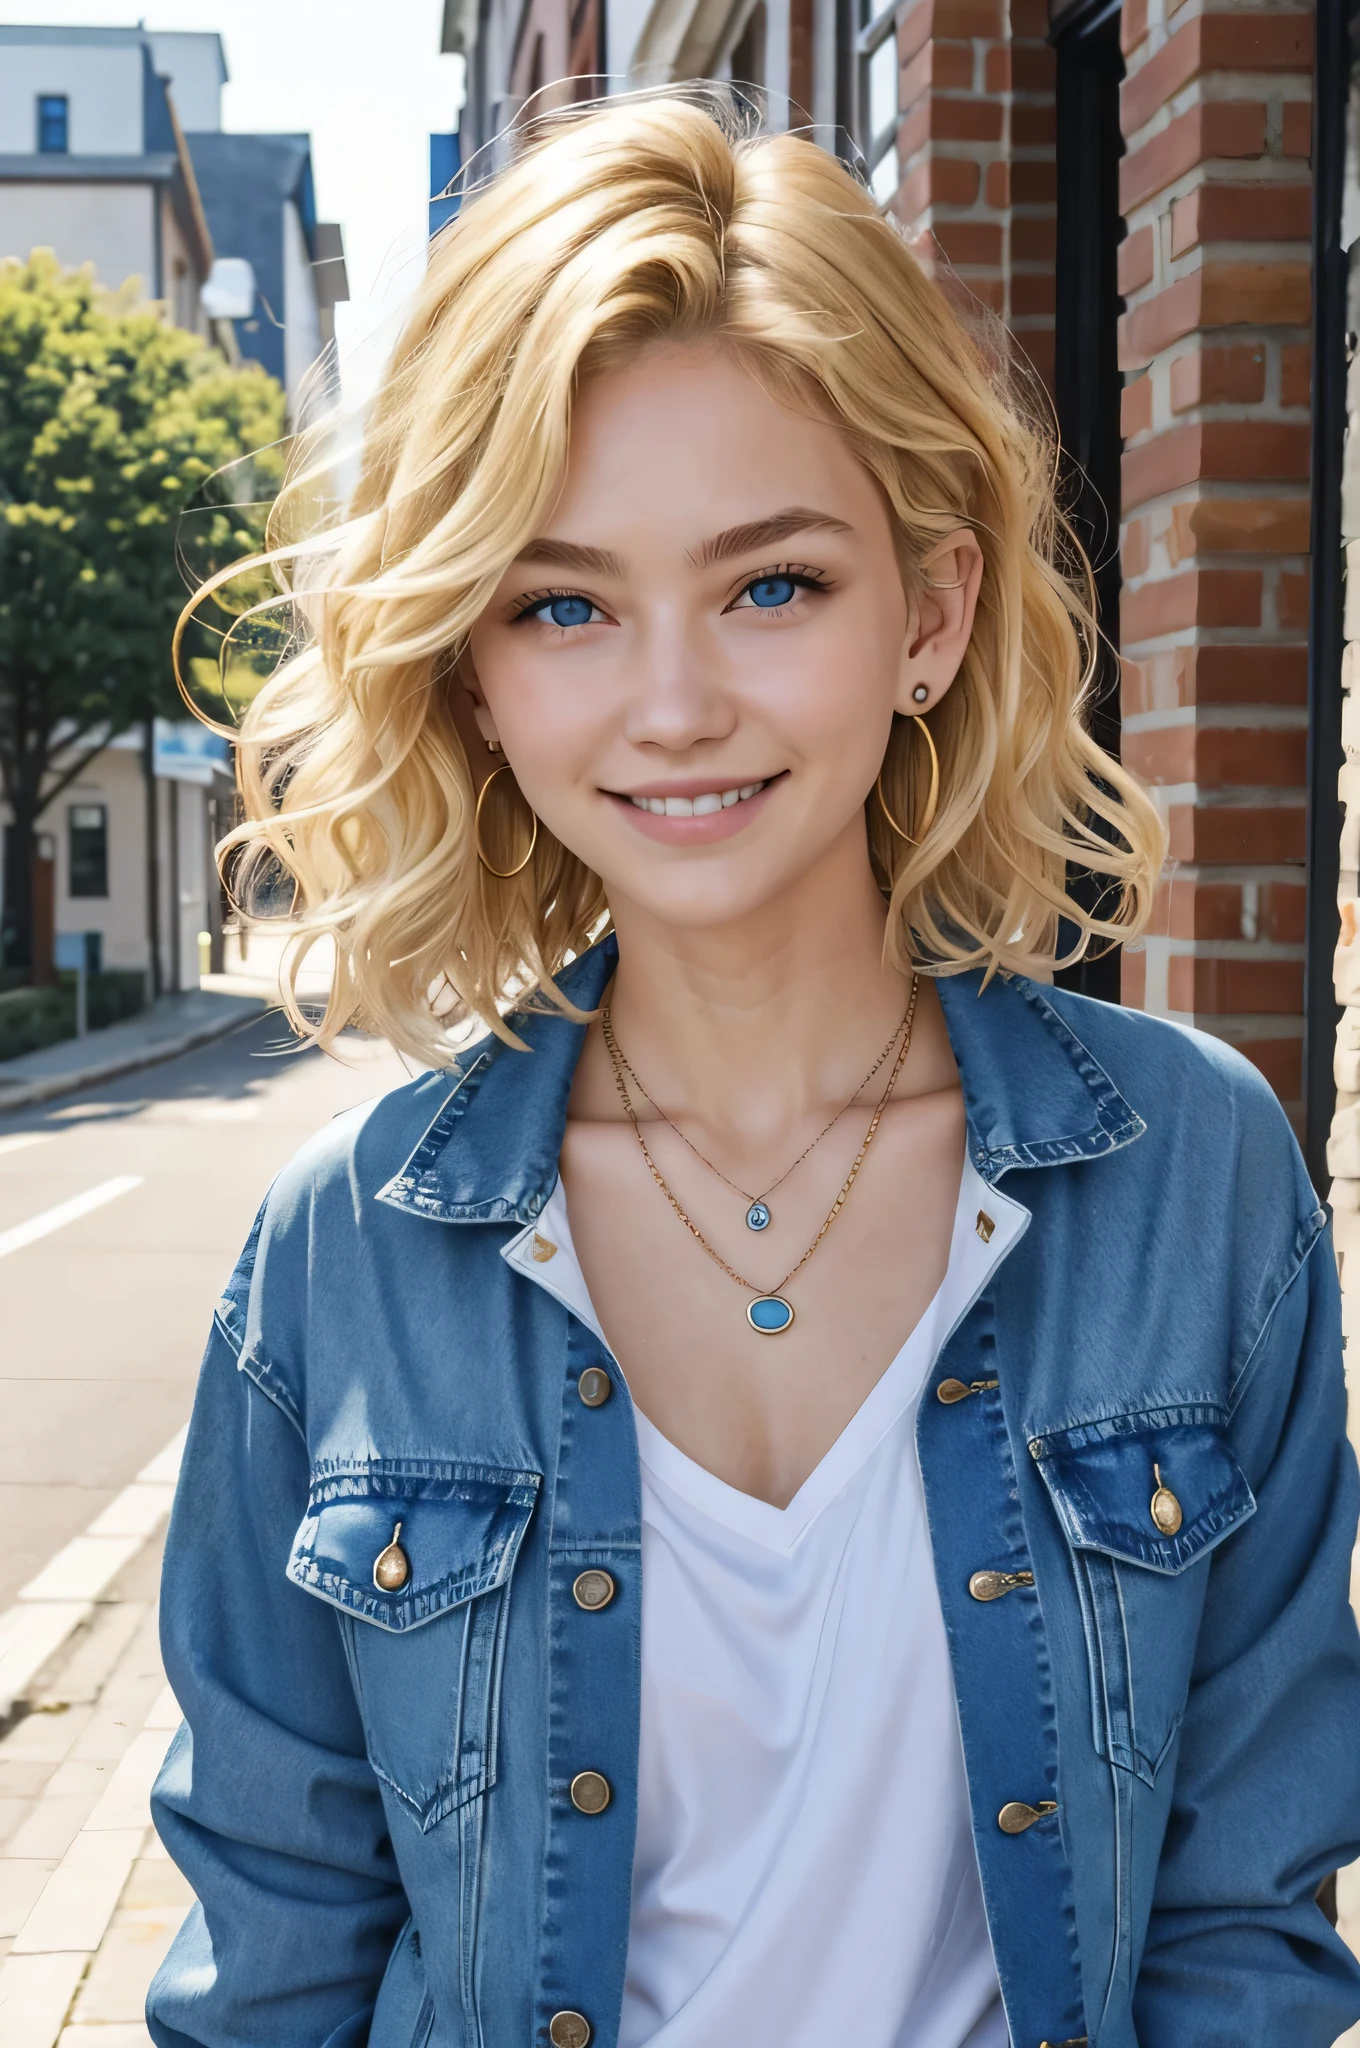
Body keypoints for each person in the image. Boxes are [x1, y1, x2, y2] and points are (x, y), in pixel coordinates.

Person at [147, 89, 1360, 2048]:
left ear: (930, 613)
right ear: (473, 669)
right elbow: (270, 1965)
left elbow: (1239, 1927)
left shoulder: (1191, 1178)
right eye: (562, 604)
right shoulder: (342, 1256)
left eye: (770, 582)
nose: (674, 702)